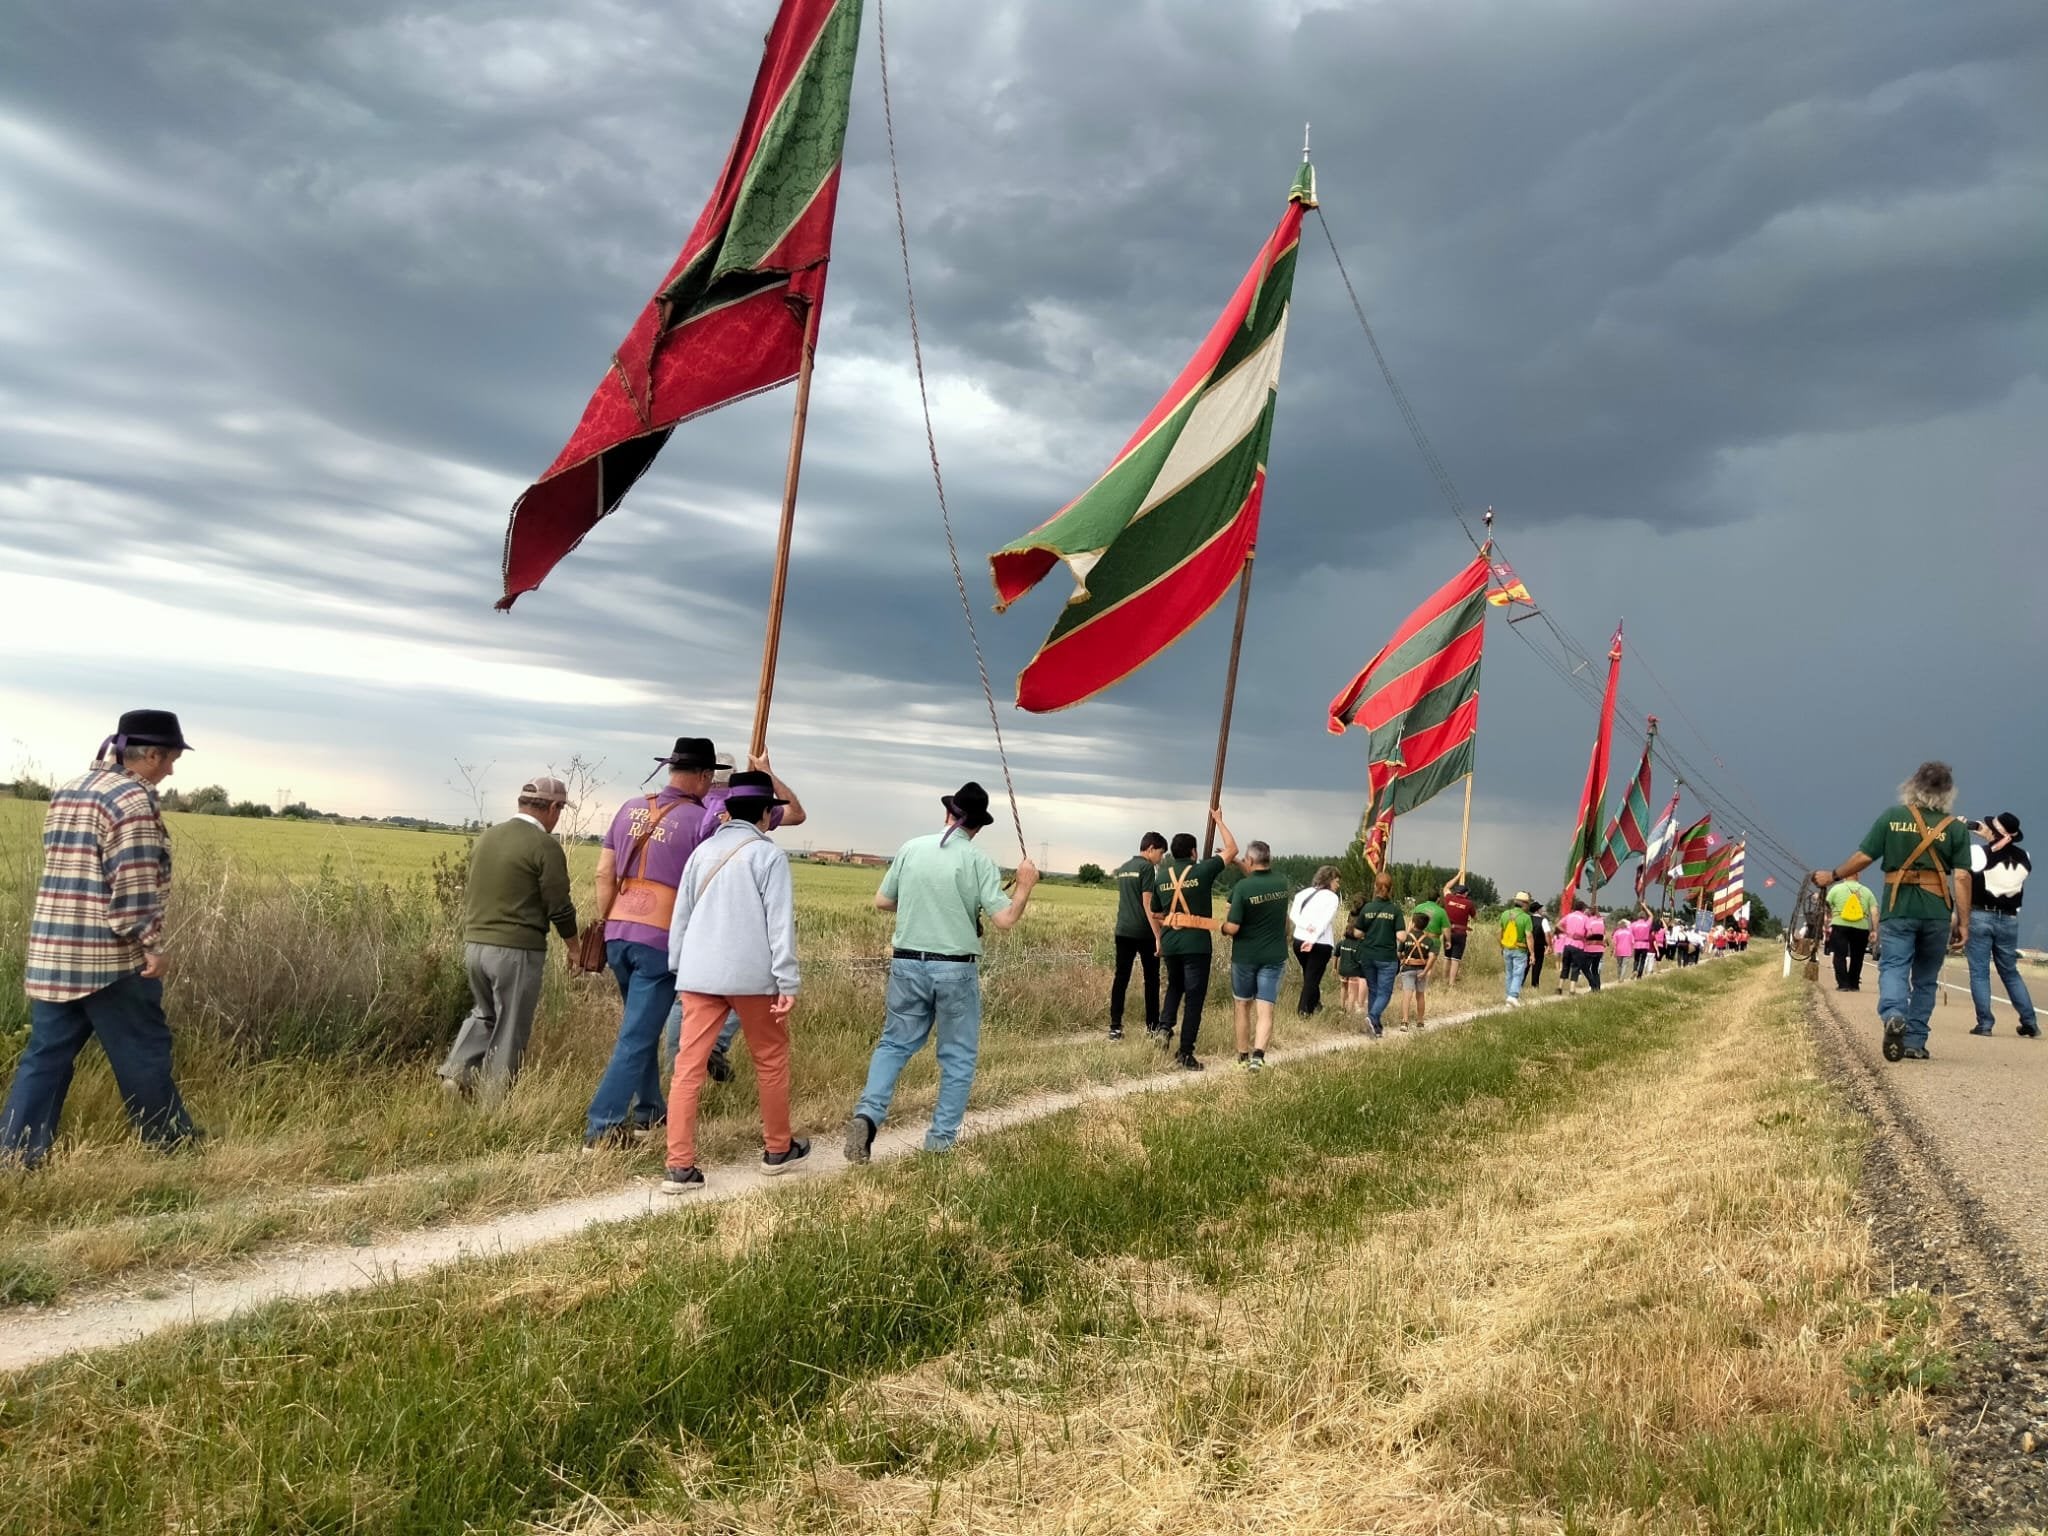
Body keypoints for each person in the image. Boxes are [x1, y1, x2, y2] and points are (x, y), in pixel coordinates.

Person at [585, 737, 805, 1149]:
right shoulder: (702, 817)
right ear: (705, 777)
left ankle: (650, 1110)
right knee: (637, 1036)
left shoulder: (632, 807)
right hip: (660, 938)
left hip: (617, 932)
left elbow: (603, 873)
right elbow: (793, 814)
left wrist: (608, 921)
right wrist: (767, 772)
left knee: (641, 1028)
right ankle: (603, 1126)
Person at [2, 711, 200, 1168]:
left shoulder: (70, 789)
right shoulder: (133, 802)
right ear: (150, 754)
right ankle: (170, 1144)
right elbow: (130, 888)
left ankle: (15, 1155)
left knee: (45, 1057)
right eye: (169, 758)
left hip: (53, 952)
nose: (170, 770)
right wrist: (151, 945)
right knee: (143, 1050)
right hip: (109, 958)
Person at [844, 783, 1039, 1162]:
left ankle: (867, 1116)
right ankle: (939, 1143)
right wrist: (1025, 886)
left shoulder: (911, 848)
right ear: (978, 826)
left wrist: (922, 899)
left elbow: (883, 901)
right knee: (958, 1055)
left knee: (894, 1044)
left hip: (906, 963)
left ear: (948, 812)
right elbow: (1004, 919)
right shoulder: (979, 861)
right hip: (954, 968)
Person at [659, 773, 805, 1192]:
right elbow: (779, 926)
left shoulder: (703, 852)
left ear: (727, 809)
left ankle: (679, 1166)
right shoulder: (767, 856)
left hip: (698, 975)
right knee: (770, 1060)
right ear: (765, 812)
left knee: (687, 1068)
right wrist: (787, 981)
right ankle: (778, 1149)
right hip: (752, 978)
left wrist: (678, 966)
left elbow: (681, 916)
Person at [1810, 761, 1972, 1063]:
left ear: (1912, 786)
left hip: (1899, 909)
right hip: (1937, 912)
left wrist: (1831, 875)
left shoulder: (1892, 817)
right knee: (1925, 979)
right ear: (1949, 793)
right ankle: (1914, 1041)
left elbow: (1863, 858)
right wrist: (1964, 922)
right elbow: (1961, 877)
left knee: (1894, 967)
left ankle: (1894, 1014)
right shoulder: (1956, 828)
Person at [437, 776, 579, 1100]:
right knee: (510, 1024)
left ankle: (456, 1075)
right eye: (560, 811)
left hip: (475, 945)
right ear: (554, 808)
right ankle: (494, 1102)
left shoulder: (488, 836)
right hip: (515, 949)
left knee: (484, 1013)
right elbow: (559, 904)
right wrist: (574, 946)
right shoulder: (544, 845)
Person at [1151, 811, 1238, 1071]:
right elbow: (1232, 850)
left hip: (1170, 942)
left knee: (1174, 987)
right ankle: (1185, 1052)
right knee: (1194, 998)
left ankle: (1164, 1030)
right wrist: (1219, 820)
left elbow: (1157, 911)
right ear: (1193, 852)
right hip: (1196, 945)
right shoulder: (1203, 869)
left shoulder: (1162, 876)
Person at [1965, 812, 2037, 1038]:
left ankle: (1985, 1023)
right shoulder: (2024, 856)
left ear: (1995, 832)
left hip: (1980, 915)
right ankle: (2029, 1021)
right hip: (2009, 919)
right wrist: (1992, 838)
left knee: (1979, 972)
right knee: (2010, 972)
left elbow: (1965, 871)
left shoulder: (1979, 853)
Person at [1221, 840, 1289, 1070]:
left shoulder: (1242, 888)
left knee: (1242, 1005)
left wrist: (1221, 927)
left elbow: (1233, 927)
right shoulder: (1282, 883)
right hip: (1274, 956)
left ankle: (1242, 1055)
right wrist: (1239, 863)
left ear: (1250, 860)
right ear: (1268, 858)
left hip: (1245, 956)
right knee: (1265, 1007)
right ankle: (1258, 1056)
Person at [1109, 833, 1167, 1041]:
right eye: (1160, 853)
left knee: (1121, 978)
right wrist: (1158, 936)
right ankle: (1152, 1026)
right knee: (1151, 979)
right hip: (1143, 932)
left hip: (1122, 930)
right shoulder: (1146, 868)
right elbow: (1147, 904)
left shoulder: (1124, 868)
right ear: (1151, 848)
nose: (1160, 858)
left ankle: (1115, 1027)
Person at [1349, 873, 1404, 1037]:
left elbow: (1357, 932)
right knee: (1385, 993)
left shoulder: (1367, 908)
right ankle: (1372, 1017)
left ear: (1375, 887)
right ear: (1391, 889)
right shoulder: (1395, 910)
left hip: (1367, 955)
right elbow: (1401, 936)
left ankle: (1376, 1027)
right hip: (1386, 957)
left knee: (1373, 990)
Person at [1287, 866, 1342, 1018]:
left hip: (1299, 940)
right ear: (1330, 880)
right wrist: (1313, 937)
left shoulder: (1303, 894)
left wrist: (1305, 926)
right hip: (1320, 943)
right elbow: (1325, 921)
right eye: (1337, 881)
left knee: (1309, 974)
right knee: (1312, 978)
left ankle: (1316, 1003)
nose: (1338, 885)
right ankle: (1304, 1011)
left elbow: (1293, 915)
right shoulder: (1331, 898)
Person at [1396, 912, 1437, 1027]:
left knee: (1407, 994)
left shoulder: (1407, 937)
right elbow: (1432, 957)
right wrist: (1425, 971)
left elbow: (1399, 953)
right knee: (1420, 995)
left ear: (1413, 923)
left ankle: (1405, 1021)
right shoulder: (1429, 940)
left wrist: (1403, 958)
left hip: (1408, 968)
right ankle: (1420, 1021)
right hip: (1421, 970)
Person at [1500, 892, 1537, 1006]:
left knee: (1509, 973)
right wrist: (1532, 954)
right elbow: (1529, 936)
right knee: (1518, 974)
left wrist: (1502, 946)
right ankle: (1513, 996)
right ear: (1525, 904)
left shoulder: (1505, 914)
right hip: (1520, 949)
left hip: (1507, 948)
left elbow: (1500, 932)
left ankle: (1508, 996)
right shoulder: (1526, 918)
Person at [1439, 880, 1477, 986]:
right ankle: (1451, 983)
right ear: (1465, 893)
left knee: (1447, 957)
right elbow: (1475, 917)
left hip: (1448, 932)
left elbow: (1446, 887)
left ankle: (1443, 980)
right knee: (1455, 959)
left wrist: (1458, 875)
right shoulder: (1469, 903)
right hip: (1460, 934)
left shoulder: (1449, 898)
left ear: (1456, 892)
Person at [1527, 899, 1550, 991]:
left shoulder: (1528, 919)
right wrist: (1549, 946)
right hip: (1539, 946)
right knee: (1537, 967)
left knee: (1525, 966)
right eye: (1540, 909)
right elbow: (1547, 934)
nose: (1541, 910)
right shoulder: (1543, 921)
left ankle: (1520, 984)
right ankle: (1534, 986)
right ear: (1537, 910)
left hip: (1527, 946)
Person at [1610, 910, 1635, 982]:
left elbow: (1614, 943)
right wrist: (1633, 951)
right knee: (1624, 965)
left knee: (1619, 965)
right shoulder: (1629, 933)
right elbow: (1633, 942)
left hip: (1619, 951)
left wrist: (1613, 951)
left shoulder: (1617, 932)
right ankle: (1622, 978)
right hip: (1627, 951)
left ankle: (1619, 977)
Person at [1630, 911, 1654, 978]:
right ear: (1645, 917)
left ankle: (1634, 970)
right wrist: (1645, 906)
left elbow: (1630, 934)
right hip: (1645, 944)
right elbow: (1652, 916)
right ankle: (1639, 975)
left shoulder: (1633, 924)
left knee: (1636, 959)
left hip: (1636, 943)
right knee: (1643, 960)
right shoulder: (1647, 924)